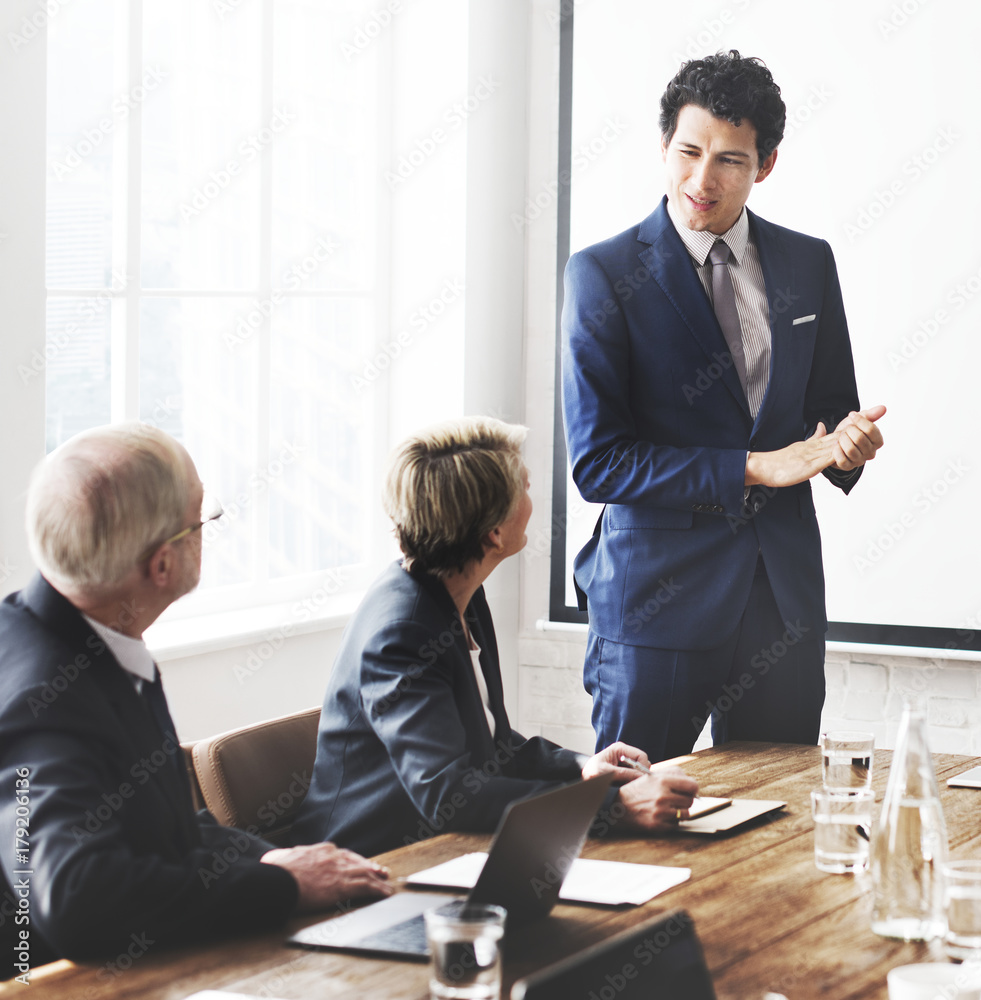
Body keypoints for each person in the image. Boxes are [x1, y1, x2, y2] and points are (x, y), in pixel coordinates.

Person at [562, 51, 885, 763]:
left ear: (764, 165)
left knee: (778, 827)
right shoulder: (601, 274)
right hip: (653, 606)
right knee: (630, 829)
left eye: (729, 161)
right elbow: (598, 464)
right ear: (662, 146)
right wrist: (750, 468)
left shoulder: (808, 264)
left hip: (781, 602)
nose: (700, 180)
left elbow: (830, 414)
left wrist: (847, 447)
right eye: (687, 152)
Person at [0, 424, 390, 979]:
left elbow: (164, 828)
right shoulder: (42, 701)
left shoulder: (83, 633)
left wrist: (272, 862)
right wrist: (282, 885)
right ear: (161, 565)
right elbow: (74, 898)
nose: (208, 531)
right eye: (202, 519)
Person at [290, 417, 697, 857]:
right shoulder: (400, 633)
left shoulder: (459, 591)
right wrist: (612, 807)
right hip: (374, 865)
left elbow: (494, 744)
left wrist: (583, 769)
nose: (532, 497)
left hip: (453, 848)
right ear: (494, 534)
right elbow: (447, 794)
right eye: (524, 486)